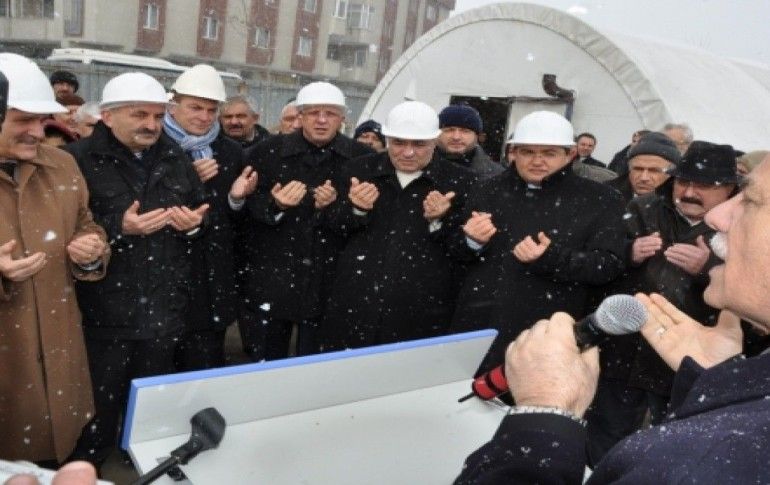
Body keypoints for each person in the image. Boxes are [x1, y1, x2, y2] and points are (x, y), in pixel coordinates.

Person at [454, 156, 770, 484]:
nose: (717, 217)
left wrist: (543, 416)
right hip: (626, 361)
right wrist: (718, 383)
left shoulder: (716, 457)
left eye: (750, 200)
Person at [64, 72, 209, 466]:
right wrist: (118, 228)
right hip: (103, 309)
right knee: (97, 405)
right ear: (108, 116)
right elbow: (63, 229)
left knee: (148, 406)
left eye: (158, 116)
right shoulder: (77, 160)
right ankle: (87, 467)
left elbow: (201, 213)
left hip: (163, 309)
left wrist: (193, 226)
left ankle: (139, 462)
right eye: (140, 115)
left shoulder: (174, 157)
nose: (151, 125)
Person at [586, 141, 740, 463]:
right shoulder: (643, 209)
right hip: (625, 349)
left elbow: (753, 291)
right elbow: (601, 259)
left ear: (729, 189)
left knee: (670, 450)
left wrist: (710, 269)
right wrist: (629, 253)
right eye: (683, 182)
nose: (689, 192)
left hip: (687, 358)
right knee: (605, 442)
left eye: (704, 185)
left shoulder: (742, 227)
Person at [449, 111, 626, 374]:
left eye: (549, 153)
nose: (537, 161)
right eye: (528, 152)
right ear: (514, 152)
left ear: (570, 154)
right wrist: (470, 241)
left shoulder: (600, 199)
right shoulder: (486, 190)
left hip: (548, 333)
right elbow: (453, 253)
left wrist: (551, 258)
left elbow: (608, 265)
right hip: (478, 329)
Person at [0, 53, 108, 464]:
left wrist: (90, 249)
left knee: (58, 455)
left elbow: (86, 224)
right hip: (10, 360)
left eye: (41, 120)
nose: (37, 131)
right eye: (23, 120)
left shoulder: (62, 165)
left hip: (60, 351)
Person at [321, 101, 475, 351]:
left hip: (422, 311)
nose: (408, 152)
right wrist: (356, 210)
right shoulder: (358, 171)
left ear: (435, 142)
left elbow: (466, 250)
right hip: (355, 305)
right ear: (387, 140)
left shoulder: (462, 182)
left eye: (419, 144)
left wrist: (440, 221)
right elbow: (330, 230)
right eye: (399, 143)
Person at [240, 81, 373, 360]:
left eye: (330, 113)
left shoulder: (362, 158)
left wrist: (339, 208)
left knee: (319, 364)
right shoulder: (267, 152)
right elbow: (247, 207)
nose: (322, 120)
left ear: (342, 118)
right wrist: (275, 205)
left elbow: (368, 218)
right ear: (300, 116)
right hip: (275, 274)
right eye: (313, 113)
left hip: (332, 277)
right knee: (265, 361)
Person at [163, 64, 257, 371]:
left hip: (211, 282)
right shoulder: (153, 147)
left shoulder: (230, 151)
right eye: (195, 107)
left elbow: (235, 223)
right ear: (173, 106)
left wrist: (236, 200)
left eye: (211, 109)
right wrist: (187, 180)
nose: (204, 117)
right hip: (162, 281)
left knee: (203, 369)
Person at [607, 132, 680, 202]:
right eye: (638, 169)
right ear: (629, 169)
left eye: (654, 170)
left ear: (671, 174)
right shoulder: (606, 194)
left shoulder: (682, 201)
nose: (644, 178)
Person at [436, 104, 503, 179]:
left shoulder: (497, 175)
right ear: (437, 134)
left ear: (477, 136)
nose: (456, 137)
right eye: (449, 130)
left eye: (465, 131)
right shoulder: (424, 166)